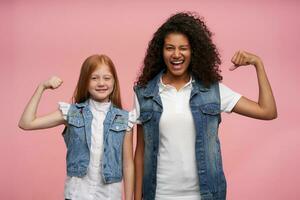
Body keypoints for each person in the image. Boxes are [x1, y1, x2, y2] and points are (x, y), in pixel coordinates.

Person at [133, 12, 277, 200]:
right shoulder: (144, 93)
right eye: (170, 48)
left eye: (183, 48)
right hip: (159, 195)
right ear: (161, 51)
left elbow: (268, 111)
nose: (176, 54)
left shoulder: (213, 92)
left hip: (204, 195)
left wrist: (258, 64)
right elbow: (140, 153)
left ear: (194, 51)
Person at [18, 54, 134, 200]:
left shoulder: (124, 118)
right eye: (94, 78)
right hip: (77, 194)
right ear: (85, 82)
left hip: (110, 195)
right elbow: (26, 123)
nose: (101, 83)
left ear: (114, 81)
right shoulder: (71, 113)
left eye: (107, 78)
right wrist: (42, 87)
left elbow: (128, 164)